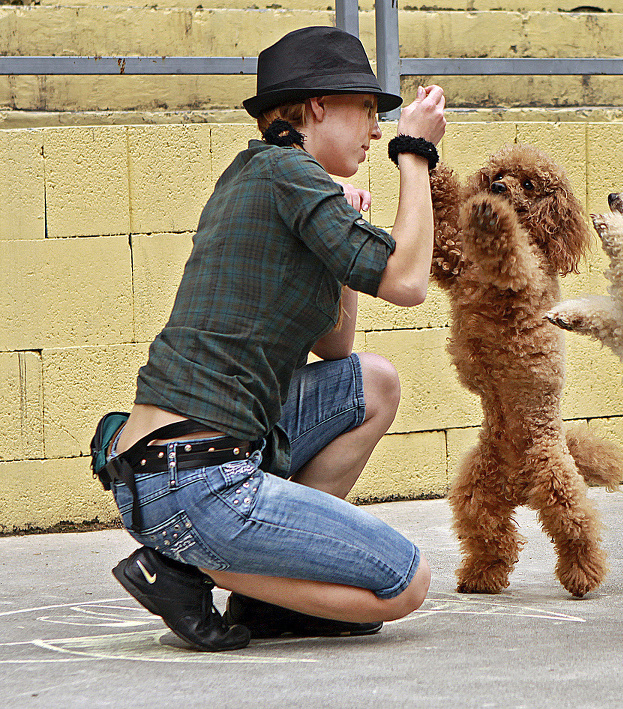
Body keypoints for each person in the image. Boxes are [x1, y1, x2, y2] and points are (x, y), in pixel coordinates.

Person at [99, 26, 446, 651]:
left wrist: (344, 232)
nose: (374, 130)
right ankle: (180, 567)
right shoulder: (290, 174)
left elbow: (335, 349)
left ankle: (266, 596)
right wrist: (415, 152)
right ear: (317, 107)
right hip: (197, 476)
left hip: (164, 460)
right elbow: (409, 280)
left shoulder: (259, 175)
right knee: (405, 584)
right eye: (367, 111)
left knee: (372, 381)